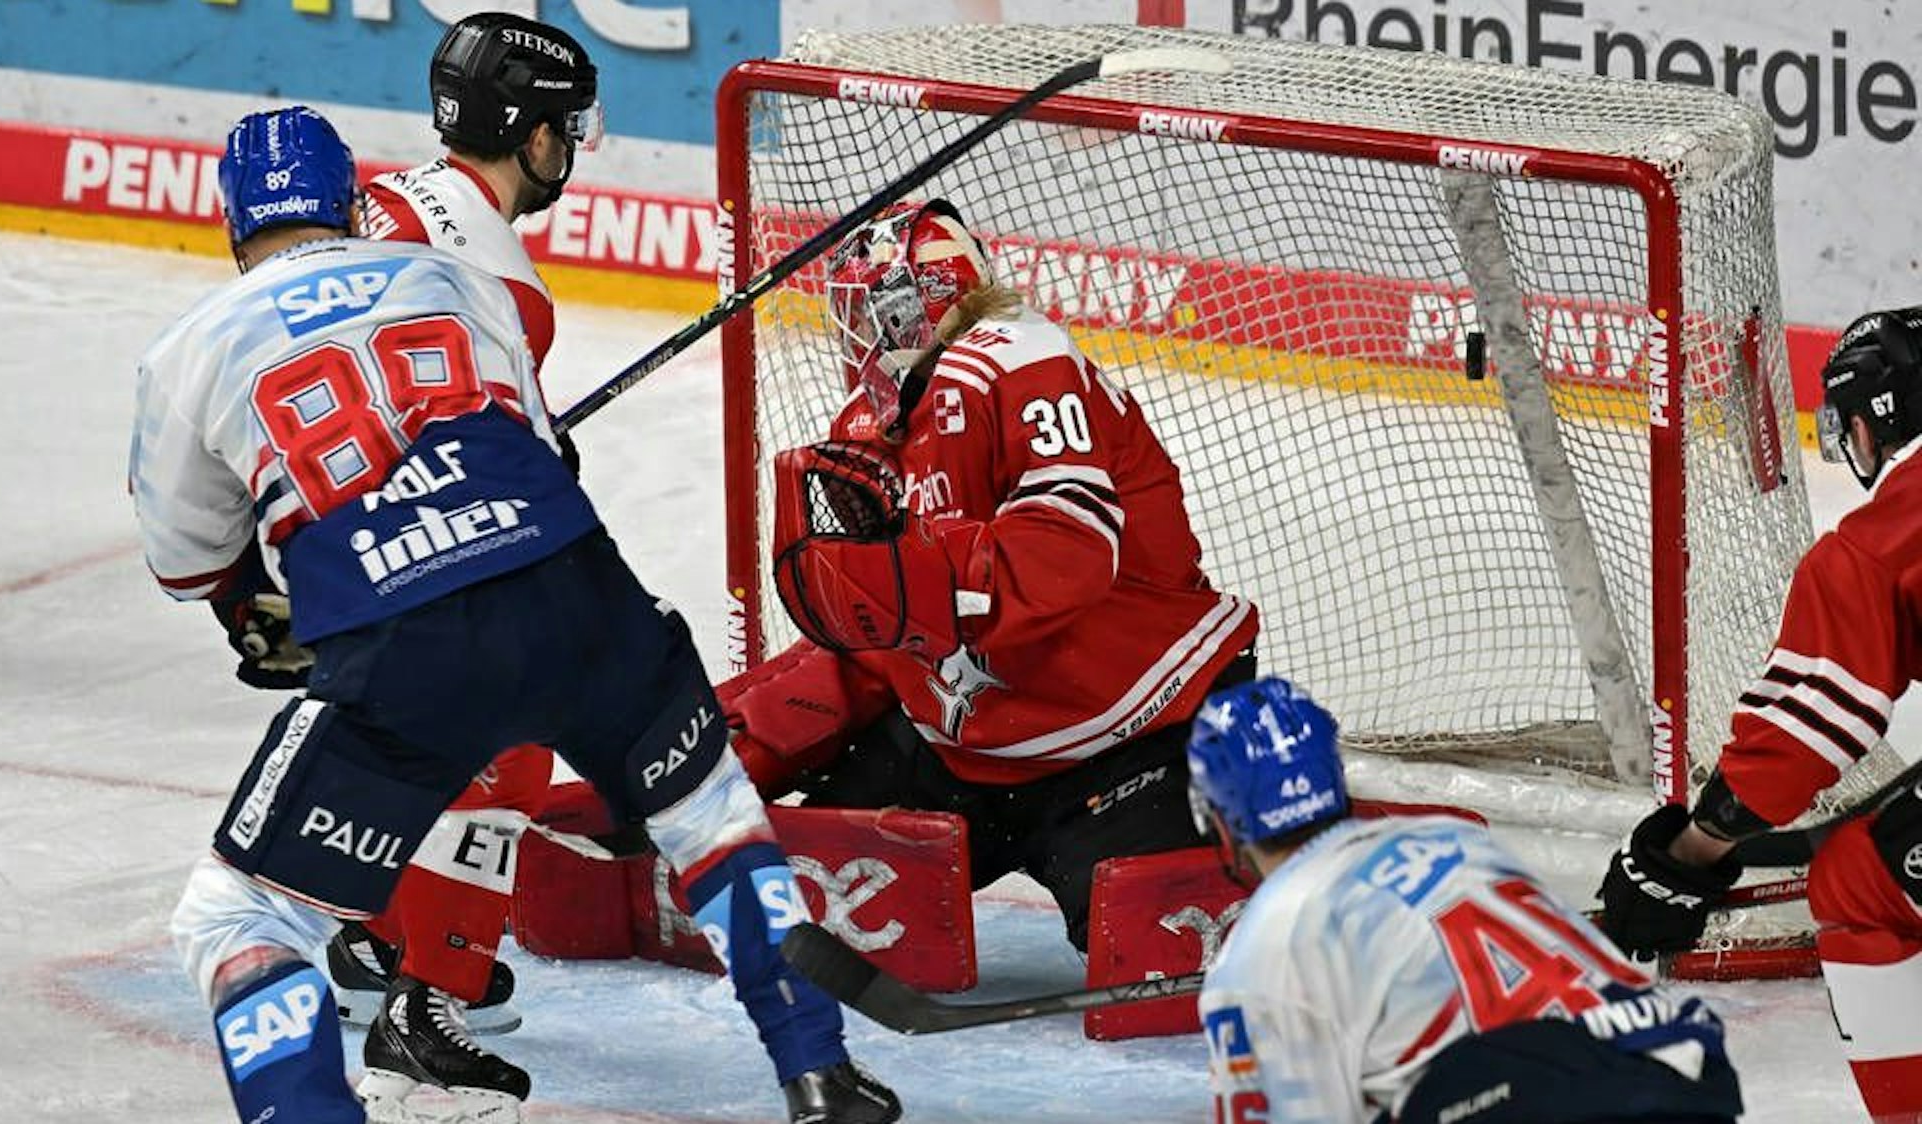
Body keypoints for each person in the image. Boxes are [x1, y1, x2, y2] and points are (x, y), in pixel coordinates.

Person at [133, 107, 900, 1124]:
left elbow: (188, 561)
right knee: (709, 818)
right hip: (573, 591)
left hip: (402, 640)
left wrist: (251, 607)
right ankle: (818, 1069)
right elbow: (538, 443)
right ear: (351, 202)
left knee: (236, 913)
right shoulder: (451, 279)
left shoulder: (184, 351)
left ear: (231, 221)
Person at [718, 198, 1261, 952]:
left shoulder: (1018, 357)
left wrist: (917, 580)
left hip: (1131, 730)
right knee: (779, 902)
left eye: (860, 311)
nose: (852, 334)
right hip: (969, 749)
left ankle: (1262, 823)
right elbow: (887, 630)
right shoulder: (870, 425)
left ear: (913, 310)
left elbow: (1064, 556)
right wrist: (731, 742)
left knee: (1153, 955)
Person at [318, 10, 606, 1063]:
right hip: (413, 530)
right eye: (564, 128)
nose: (569, 150)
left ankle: (372, 934)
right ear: (531, 134)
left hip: (322, 511)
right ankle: (427, 995)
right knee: (510, 744)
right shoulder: (505, 285)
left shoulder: (382, 194)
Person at [1598, 307, 1922, 1124]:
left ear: (1874, 416)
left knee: (1860, 878)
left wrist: (1691, 852)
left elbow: (1814, 724)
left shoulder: (1878, 540)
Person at [1189, 677, 1744, 1124]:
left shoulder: (1258, 956)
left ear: (1220, 820)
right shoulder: (1453, 841)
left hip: (1531, 1097)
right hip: (1680, 1067)